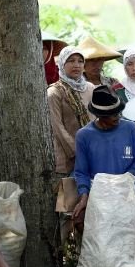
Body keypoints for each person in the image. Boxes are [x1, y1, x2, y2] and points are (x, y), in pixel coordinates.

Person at [72, 85, 135, 251]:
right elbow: (81, 171)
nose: (117, 117)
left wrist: (128, 177)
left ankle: (128, 258)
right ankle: (104, 258)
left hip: (130, 188)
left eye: (118, 112)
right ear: (100, 116)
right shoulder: (84, 135)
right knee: (80, 220)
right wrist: (84, 194)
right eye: (111, 114)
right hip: (99, 192)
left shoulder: (130, 128)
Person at [48, 46, 96, 177]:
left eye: (80, 61)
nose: (76, 65)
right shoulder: (54, 92)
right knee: (71, 195)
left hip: (93, 152)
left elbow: (97, 119)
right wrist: (77, 151)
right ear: (62, 64)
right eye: (71, 61)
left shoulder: (90, 88)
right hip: (68, 157)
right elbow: (57, 127)